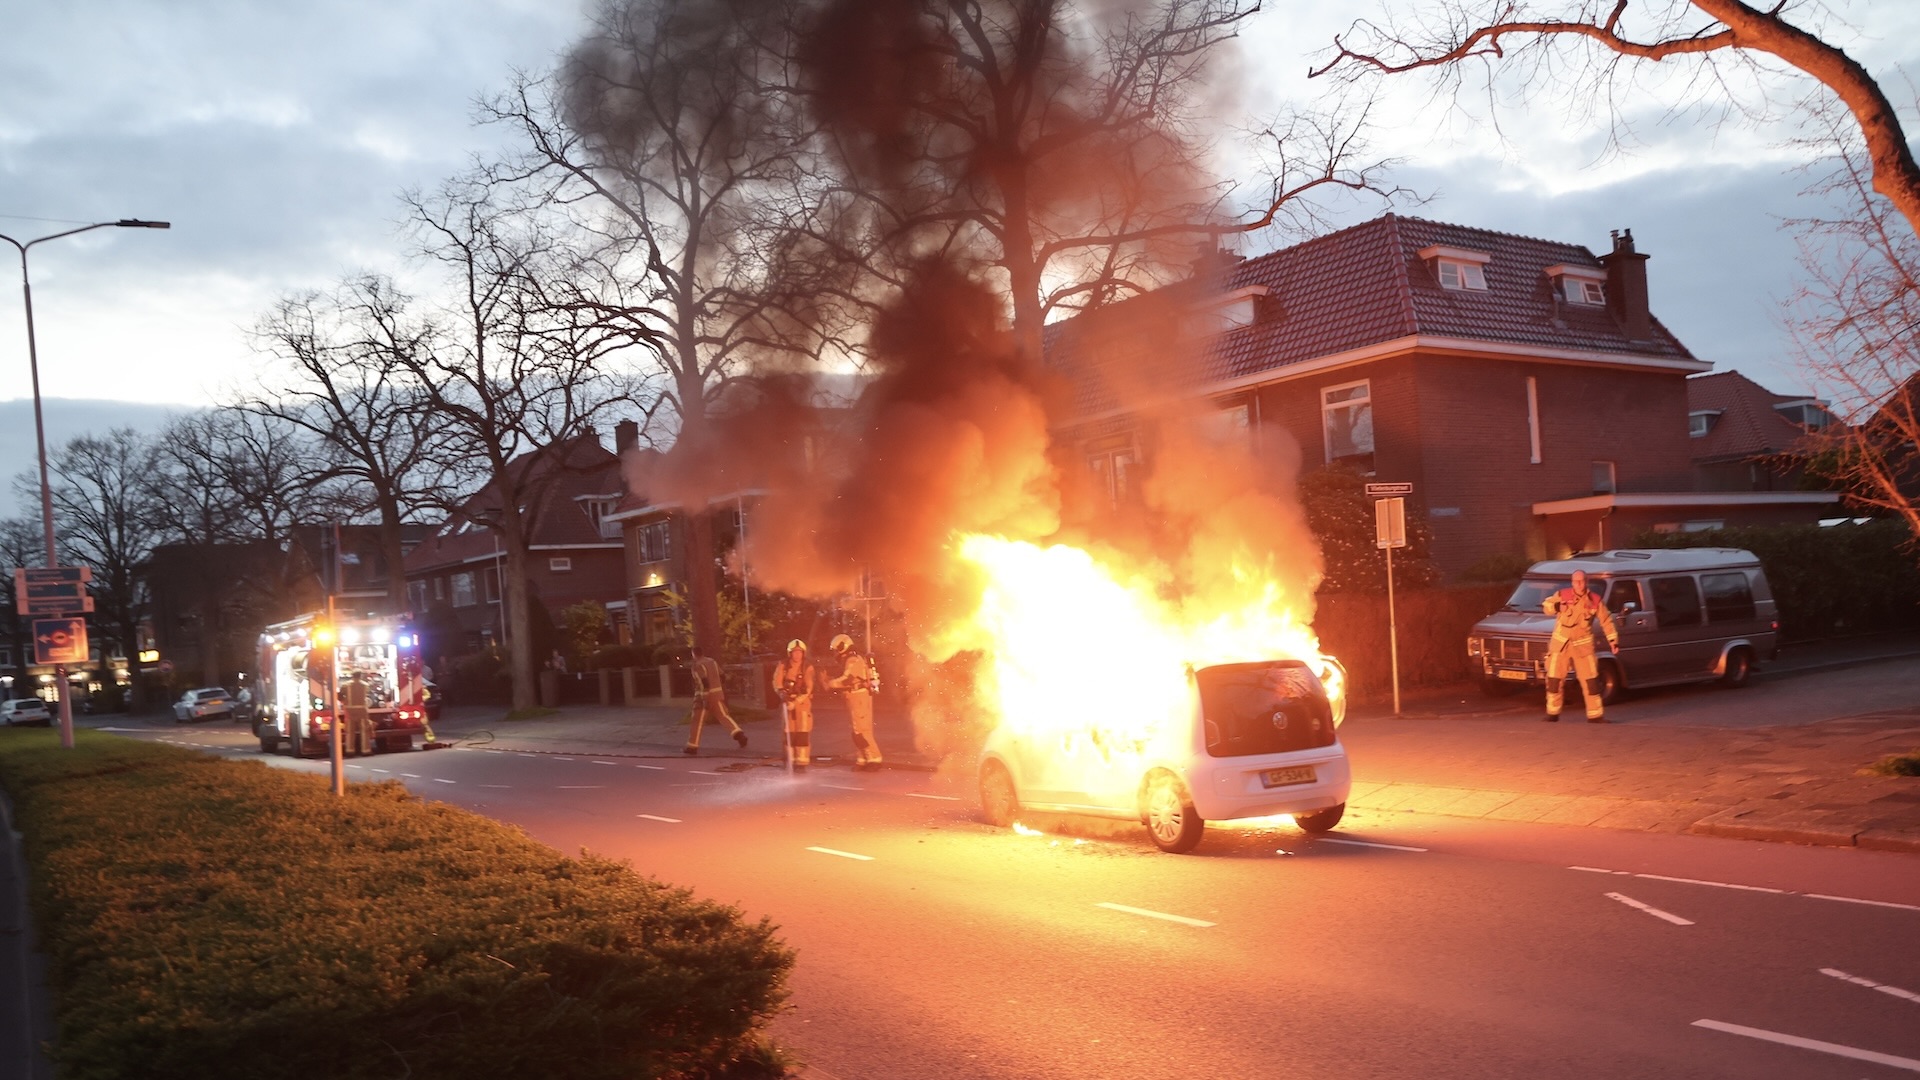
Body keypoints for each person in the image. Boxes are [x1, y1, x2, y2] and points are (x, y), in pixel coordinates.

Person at [1543, 569, 1620, 723]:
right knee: (1553, 680)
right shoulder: (1562, 594)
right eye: (1575, 581)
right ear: (1572, 582)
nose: (1579, 584)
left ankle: (1595, 715)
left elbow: (1606, 620)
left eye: (1581, 581)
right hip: (1561, 645)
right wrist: (1558, 607)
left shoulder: (1595, 600)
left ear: (1586, 581)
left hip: (1583, 647)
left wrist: (1613, 640)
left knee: (1591, 681)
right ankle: (1552, 713)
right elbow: (1546, 606)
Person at [826, 633, 882, 771]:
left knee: (861, 731)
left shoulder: (853, 660)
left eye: (836, 649)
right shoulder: (852, 659)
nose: (835, 653)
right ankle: (863, 759)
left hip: (859, 697)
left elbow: (847, 679)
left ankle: (874, 759)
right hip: (855, 697)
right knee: (857, 730)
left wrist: (830, 683)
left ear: (842, 647)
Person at [683, 645, 747, 755]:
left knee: (697, 721)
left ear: (694, 654)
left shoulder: (697, 665)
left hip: (703, 698)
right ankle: (739, 735)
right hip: (717, 695)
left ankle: (692, 746)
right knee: (723, 716)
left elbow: (704, 682)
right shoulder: (712, 661)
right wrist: (717, 688)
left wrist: (705, 697)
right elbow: (722, 676)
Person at [772, 639, 816, 770]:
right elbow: (776, 681)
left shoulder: (807, 667)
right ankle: (789, 760)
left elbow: (809, 689)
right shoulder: (783, 665)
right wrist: (781, 693)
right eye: (795, 652)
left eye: (800, 652)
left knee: (802, 733)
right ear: (790, 653)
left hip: (802, 704)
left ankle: (801, 763)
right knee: (788, 734)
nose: (797, 655)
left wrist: (795, 702)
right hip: (787, 702)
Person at [341, 671, 373, 755]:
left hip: (350, 711)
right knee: (364, 731)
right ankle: (366, 750)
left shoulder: (346, 685)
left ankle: (350, 750)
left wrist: (344, 702)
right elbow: (368, 695)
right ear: (360, 676)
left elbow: (340, 695)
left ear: (352, 676)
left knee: (350, 731)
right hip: (362, 710)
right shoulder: (365, 685)